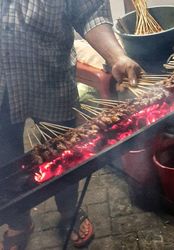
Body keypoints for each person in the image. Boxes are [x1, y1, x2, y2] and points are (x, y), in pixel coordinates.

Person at [0, 0, 142, 249]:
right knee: (5, 162)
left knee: (63, 157)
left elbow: (91, 12)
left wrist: (117, 56)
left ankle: (69, 214)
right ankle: (19, 220)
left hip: (50, 81)